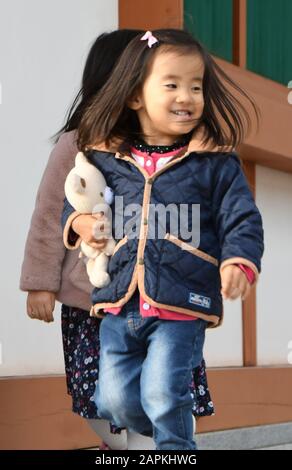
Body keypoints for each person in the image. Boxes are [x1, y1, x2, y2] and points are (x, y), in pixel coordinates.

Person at [62, 28, 264, 450]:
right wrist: (78, 224)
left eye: (196, 87)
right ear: (136, 96)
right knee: (112, 400)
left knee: (162, 393)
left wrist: (239, 260)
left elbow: (241, 217)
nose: (187, 96)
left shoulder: (214, 163)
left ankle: (176, 449)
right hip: (119, 301)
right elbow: (78, 200)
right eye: (171, 85)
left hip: (181, 303)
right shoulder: (109, 159)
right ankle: (170, 431)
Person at [20, 29, 214, 451]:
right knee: (103, 400)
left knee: (163, 395)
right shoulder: (75, 145)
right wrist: (40, 283)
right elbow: (49, 218)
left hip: (160, 301)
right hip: (92, 305)